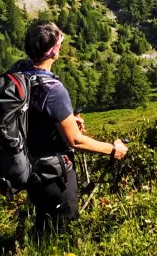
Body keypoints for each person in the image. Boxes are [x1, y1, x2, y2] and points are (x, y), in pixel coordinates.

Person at [15, 20, 128, 234]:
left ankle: (27, 253)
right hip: (51, 172)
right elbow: (75, 141)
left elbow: (32, 113)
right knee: (61, 228)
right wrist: (114, 150)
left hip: (26, 163)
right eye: (60, 43)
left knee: (44, 217)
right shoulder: (53, 90)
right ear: (53, 52)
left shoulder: (19, 73)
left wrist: (64, 121)